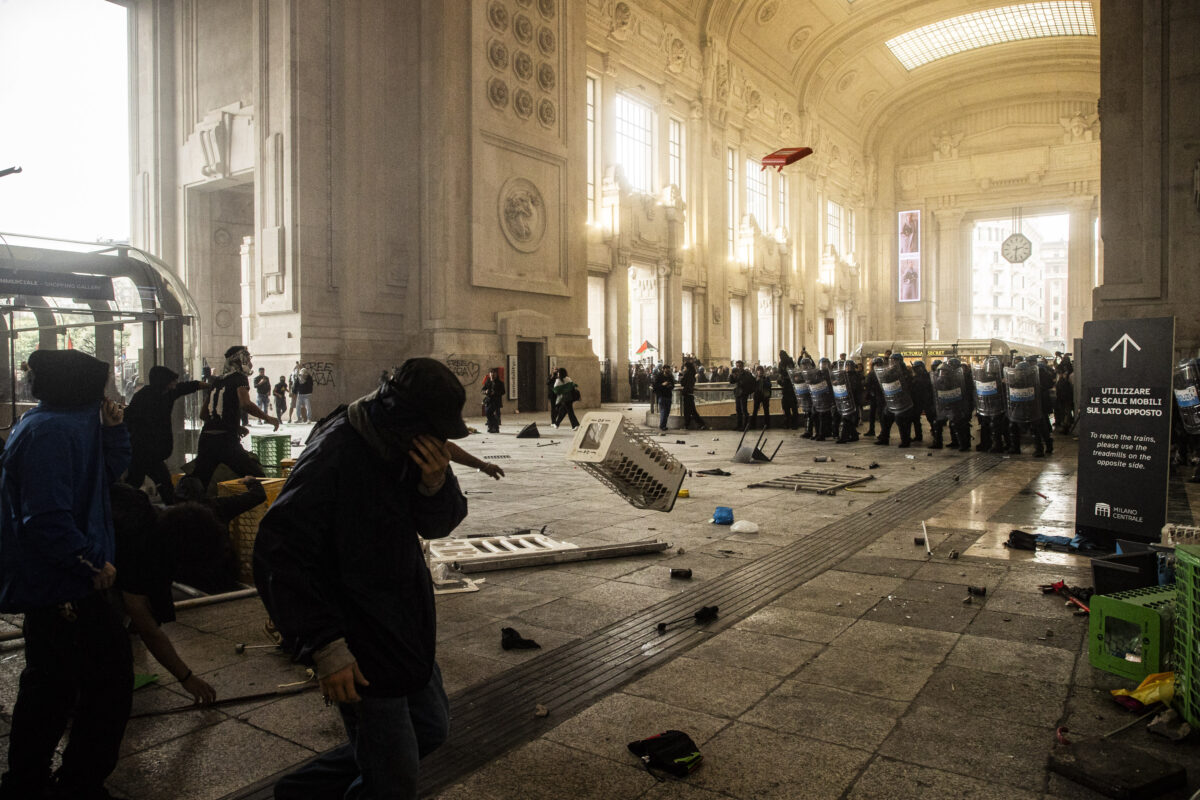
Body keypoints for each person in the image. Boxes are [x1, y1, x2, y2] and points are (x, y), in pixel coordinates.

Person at [254, 358, 469, 800]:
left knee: (430, 729)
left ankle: (300, 793)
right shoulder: (338, 451)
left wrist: (435, 483)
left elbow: (437, 524)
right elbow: (278, 550)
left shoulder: (406, 445)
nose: (440, 442)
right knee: (394, 780)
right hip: (359, 637)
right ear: (405, 418)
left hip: (405, 623)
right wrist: (323, 646)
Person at [0, 349, 132, 800]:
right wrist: (91, 561)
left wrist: (114, 434)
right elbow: (46, 518)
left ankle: (37, 781)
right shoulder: (53, 432)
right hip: (65, 585)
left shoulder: (66, 421)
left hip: (70, 582)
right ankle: (68, 783)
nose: (107, 397)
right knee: (90, 687)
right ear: (83, 388)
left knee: (58, 689)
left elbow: (104, 475)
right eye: (101, 388)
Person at [109, 483, 218, 705]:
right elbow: (147, 627)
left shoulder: (157, 519)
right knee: (107, 621)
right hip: (64, 569)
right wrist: (186, 677)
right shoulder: (140, 546)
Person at [190, 345, 280, 490]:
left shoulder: (217, 381)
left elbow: (204, 414)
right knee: (256, 476)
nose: (250, 363)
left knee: (200, 480)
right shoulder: (240, 379)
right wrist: (268, 418)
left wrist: (234, 425)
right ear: (239, 360)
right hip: (225, 440)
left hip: (207, 438)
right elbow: (245, 403)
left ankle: (187, 508)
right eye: (247, 358)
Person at [123, 365, 207, 504]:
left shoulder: (164, 393)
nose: (174, 384)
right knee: (159, 482)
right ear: (164, 382)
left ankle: (124, 506)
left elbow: (185, 387)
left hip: (147, 451)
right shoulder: (146, 397)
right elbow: (130, 418)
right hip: (145, 450)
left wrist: (206, 385)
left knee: (139, 481)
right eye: (172, 381)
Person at [679, 361, 706, 430]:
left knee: (689, 411)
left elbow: (682, 383)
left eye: (684, 367)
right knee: (692, 411)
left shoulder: (687, 374)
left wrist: (681, 375)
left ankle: (699, 424)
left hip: (687, 394)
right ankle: (698, 424)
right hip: (690, 394)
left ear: (687, 367)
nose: (684, 368)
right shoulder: (692, 374)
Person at [729, 360, 753, 430]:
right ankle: (739, 425)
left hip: (744, 393)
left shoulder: (746, 374)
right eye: (737, 366)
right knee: (738, 410)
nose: (738, 367)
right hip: (738, 394)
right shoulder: (736, 373)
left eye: (739, 366)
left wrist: (739, 379)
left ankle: (745, 426)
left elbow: (746, 383)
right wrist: (732, 375)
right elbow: (731, 382)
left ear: (742, 366)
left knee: (744, 410)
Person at [481, 367, 505, 434]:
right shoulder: (487, 381)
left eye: (494, 373)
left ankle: (492, 426)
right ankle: (494, 427)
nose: (492, 374)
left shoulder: (500, 382)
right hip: (488, 400)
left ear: (497, 374)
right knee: (488, 413)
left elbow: (503, 392)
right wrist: (485, 391)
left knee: (489, 412)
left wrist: (495, 393)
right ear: (489, 374)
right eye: (491, 373)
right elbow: (482, 390)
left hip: (496, 401)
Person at [653, 364, 675, 431]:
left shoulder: (670, 376)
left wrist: (670, 385)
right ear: (663, 369)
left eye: (668, 369)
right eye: (666, 369)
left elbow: (673, 385)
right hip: (662, 396)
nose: (667, 370)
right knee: (663, 411)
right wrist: (662, 384)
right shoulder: (659, 376)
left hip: (668, 396)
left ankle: (663, 425)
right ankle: (662, 426)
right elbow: (655, 386)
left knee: (667, 412)